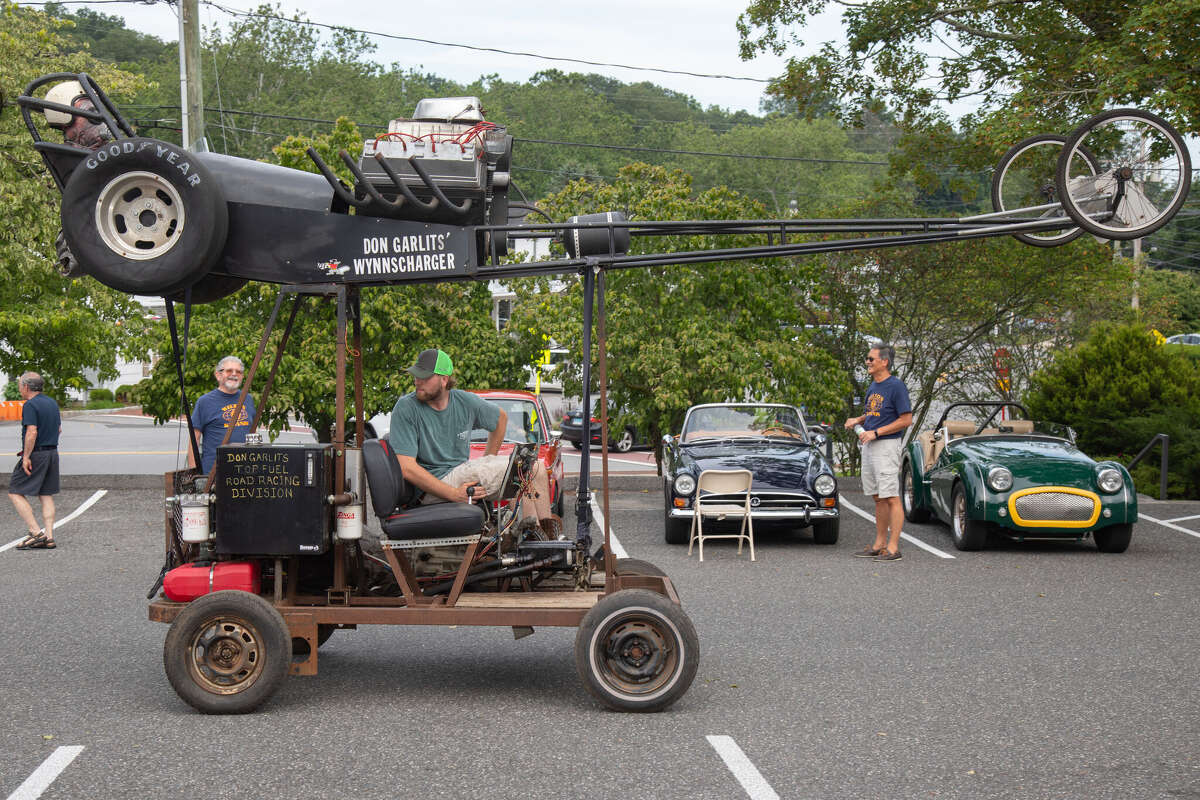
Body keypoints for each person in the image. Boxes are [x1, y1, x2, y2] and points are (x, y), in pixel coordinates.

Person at [388, 349, 554, 522]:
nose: (417, 381)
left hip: (461, 473)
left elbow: (500, 419)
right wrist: (453, 494)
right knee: (527, 469)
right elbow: (406, 468)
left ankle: (535, 537)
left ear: (444, 380)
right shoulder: (406, 408)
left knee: (534, 467)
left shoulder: (463, 401)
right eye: (416, 375)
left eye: (425, 377)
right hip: (433, 487)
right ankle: (538, 543)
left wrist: (488, 459)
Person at [844, 344, 913, 562]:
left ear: (884, 362)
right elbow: (873, 412)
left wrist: (876, 432)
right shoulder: (874, 386)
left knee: (891, 496)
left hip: (886, 446)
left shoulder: (896, 386)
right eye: (867, 359)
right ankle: (879, 544)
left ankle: (893, 548)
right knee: (877, 497)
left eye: (871, 359)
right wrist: (859, 420)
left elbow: (906, 419)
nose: (867, 362)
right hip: (870, 445)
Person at [9, 373, 61, 550]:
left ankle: (36, 532)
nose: (19, 389)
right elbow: (59, 429)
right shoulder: (51, 403)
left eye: (19, 385)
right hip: (52, 452)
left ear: (26, 387)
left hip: (37, 455)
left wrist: (26, 457)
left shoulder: (30, 405)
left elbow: (32, 432)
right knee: (46, 494)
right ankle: (49, 536)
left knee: (15, 491)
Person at [190, 356, 256, 475]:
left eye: (239, 372)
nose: (234, 374)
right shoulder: (204, 402)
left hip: (245, 472)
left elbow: (252, 434)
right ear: (218, 375)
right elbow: (194, 439)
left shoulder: (248, 399)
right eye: (229, 371)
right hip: (214, 473)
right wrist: (193, 473)